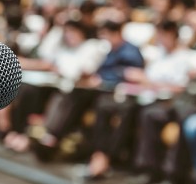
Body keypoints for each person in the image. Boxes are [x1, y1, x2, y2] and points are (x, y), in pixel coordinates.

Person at [31, 19, 145, 164]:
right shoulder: (107, 50)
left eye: (106, 35)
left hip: (118, 95)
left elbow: (129, 74)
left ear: (116, 34)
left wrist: (100, 78)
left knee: (99, 106)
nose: (104, 39)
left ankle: (102, 156)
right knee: (66, 95)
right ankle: (52, 136)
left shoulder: (129, 51)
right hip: (97, 91)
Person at [128, 20, 196, 184]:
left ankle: (174, 176)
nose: (161, 39)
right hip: (162, 101)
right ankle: (150, 170)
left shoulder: (188, 56)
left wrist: (152, 83)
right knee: (148, 115)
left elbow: (181, 87)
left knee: (185, 120)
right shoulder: (159, 55)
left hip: (184, 102)